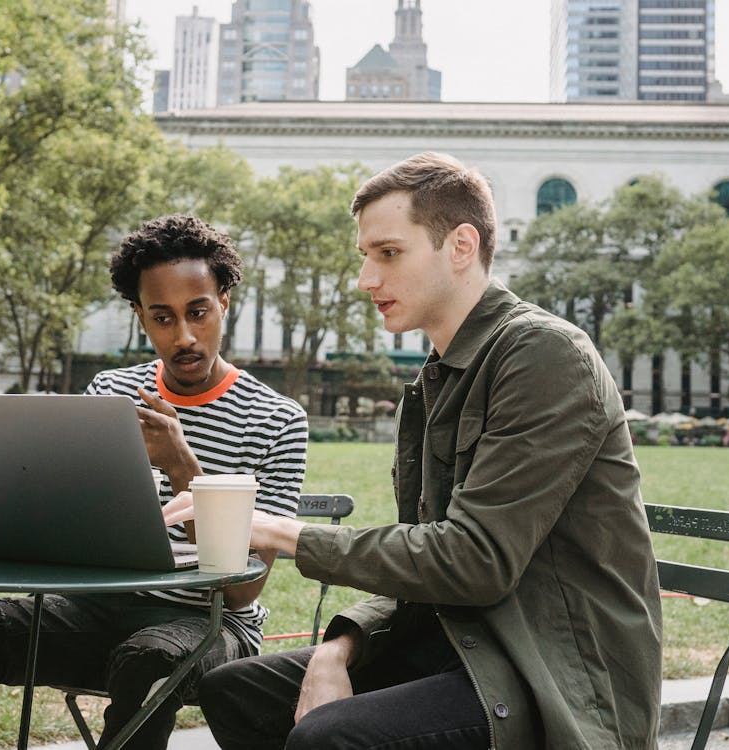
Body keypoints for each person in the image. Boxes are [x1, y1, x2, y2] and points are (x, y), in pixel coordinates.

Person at [188, 152, 664, 749]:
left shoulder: (545, 356)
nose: (366, 279)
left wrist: (278, 532)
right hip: (456, 643)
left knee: (331, 736)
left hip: (548, 677)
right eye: (366, 256)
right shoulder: (436, 378)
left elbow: (473, 559)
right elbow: (429, 557)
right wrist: (341, 646)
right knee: (235, 689)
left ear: (461, 246)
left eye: (388, 253)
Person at [0, 215, 308, 750]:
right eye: (163, 318)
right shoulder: (111, 391)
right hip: (94, 609)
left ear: (225, 303)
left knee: (148, 660)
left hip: (210, 625)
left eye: (199, 312)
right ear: (140, 317)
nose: (185, 336)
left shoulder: (277, 418)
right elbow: (73, 528)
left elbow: (242, 589)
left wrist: (181, 466)